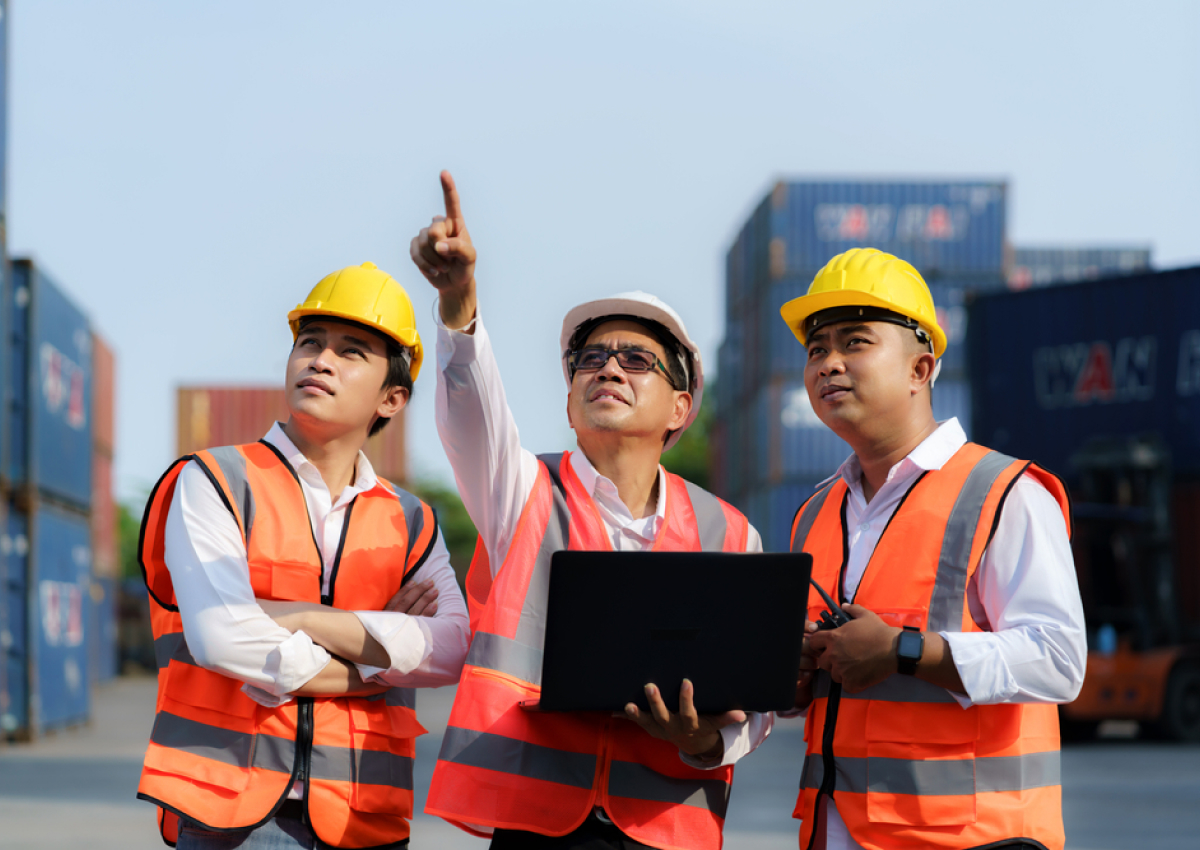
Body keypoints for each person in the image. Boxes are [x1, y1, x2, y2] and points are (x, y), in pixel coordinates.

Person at [407, 171, 769, 850]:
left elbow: (757, 699)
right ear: (570, 401)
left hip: (663, 828)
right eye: (591, 359)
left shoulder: (730, 532)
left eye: (637, 360)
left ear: (681, 408)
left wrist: (703, 739)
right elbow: (470, 411)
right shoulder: (521, 492)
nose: (608, 369)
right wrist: (459, 303)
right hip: (538, 825)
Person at [136, 262, 470, 849]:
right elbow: (222, 639)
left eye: (351, 351)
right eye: (309, 343)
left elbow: (448, 651)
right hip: (233, 818)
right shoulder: (214, 480)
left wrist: (297, 618)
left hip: (362, 818)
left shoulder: (411, 519)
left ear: (392, 398)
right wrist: (374, 668)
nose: (320, 359)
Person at [780, 248, 1087, 850]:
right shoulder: (814, 513)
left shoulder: (1005, 494)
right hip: (834, 833)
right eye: (817, 349)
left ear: (922, 369)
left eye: (855, 342)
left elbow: (1058, 659)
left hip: (974, 839)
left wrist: (904, 651)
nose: (829, 363)